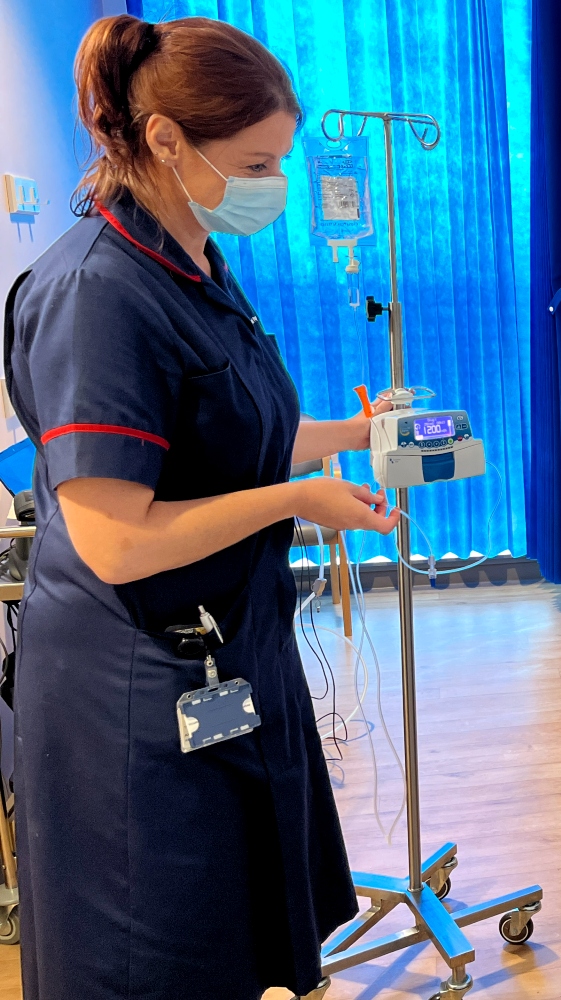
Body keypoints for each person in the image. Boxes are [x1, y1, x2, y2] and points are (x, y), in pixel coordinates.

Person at [3, 16, 397, 1000]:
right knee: (157, 956)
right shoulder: (98, 294)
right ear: (166, 139)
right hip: (131, 683)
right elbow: (116, 535)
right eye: (257, 161)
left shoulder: (195, 261)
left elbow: (223, 433)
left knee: (237, 928)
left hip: (224, 648)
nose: (276, 186)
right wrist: (298, 499)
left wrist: (353, 439)